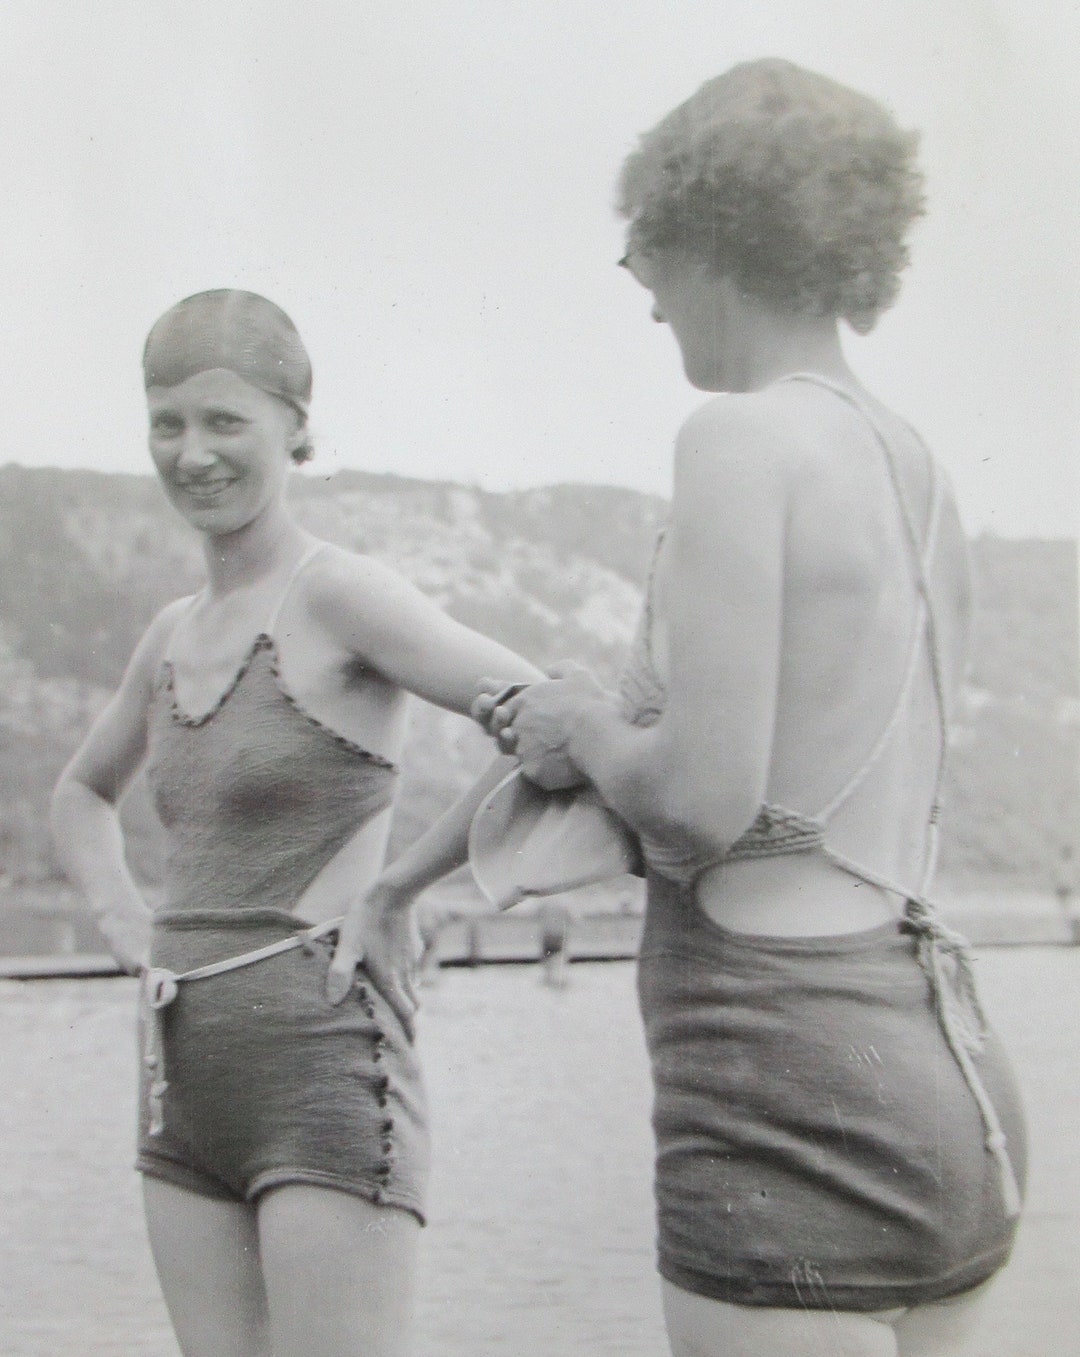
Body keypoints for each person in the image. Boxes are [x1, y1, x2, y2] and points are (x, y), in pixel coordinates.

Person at [381, 60, 1028, 1357]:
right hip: (941, 1071)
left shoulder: (740, 441)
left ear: (711, 230)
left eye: (644, 258)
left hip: (779, 1084)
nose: (651, 301)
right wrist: (403, 883)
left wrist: (583, 729)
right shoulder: (922, 471)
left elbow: (698, 803)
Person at [50, 288, 539, 1357]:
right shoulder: (172, 630)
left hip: (323, 1066)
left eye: (227, 422)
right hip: (183, 1082)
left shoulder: (343, 595)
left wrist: (403, 884)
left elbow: (556, 724)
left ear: (298, 425)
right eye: (167, 423)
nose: (194, 454)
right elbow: (80, 795)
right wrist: (125, 920)